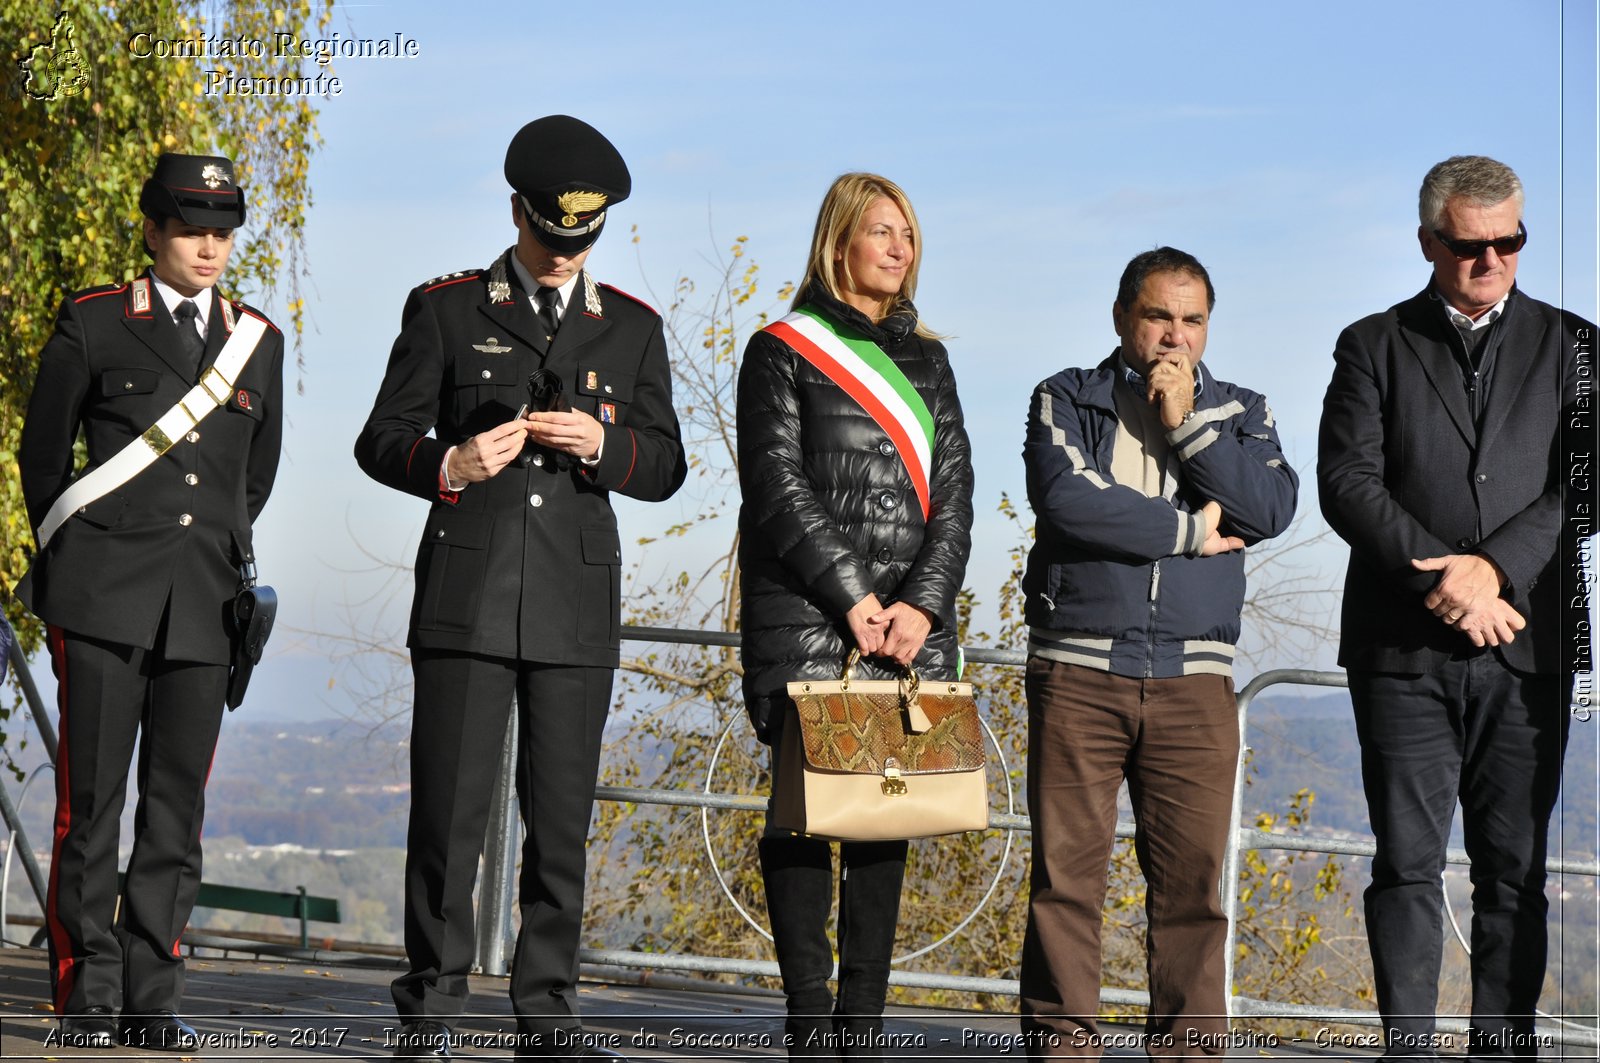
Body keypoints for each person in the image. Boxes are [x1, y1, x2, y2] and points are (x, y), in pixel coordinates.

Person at [354, 115, 685, 1063]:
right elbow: (382, 438)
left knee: (562, 826)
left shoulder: (631, 326)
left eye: (579, 240)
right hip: (468, 594)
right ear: (517, 214)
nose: (560, 257)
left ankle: (548, 1013)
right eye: (549, 237)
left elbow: (665, 462)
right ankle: (431, 1010)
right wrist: (449, 460)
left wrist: (605, 447)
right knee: (449, 819)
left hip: (575, 605)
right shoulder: (449, 309)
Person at [1318, 155, 1589, 1059]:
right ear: (1430, 241)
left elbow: (1583, 485)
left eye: (1509, 241)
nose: (1492, 260)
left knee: (1516, 874)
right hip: (1402, 652)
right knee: (1406, 866)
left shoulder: (1577, 345)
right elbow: (1346, 483)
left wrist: (1494, 571)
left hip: (1529, 645)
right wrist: (1446, 579)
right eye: (1471, 245)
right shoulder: (1370, 344)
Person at [17, 152, 284, 1050]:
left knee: (176, 808)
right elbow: (42, 460)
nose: (210, 247)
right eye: (191, 230)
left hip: (205, 604)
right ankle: (85, 995)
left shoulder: (259, 340)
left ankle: (149, 996)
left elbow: (256, 477)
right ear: (152, 230)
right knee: (90, 803)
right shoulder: (96, 323)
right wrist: (89, 558)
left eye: (222, 232)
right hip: (101, 599)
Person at [1018, 248, 1297, 1058]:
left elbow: (1270, 505)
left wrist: (1188, 424)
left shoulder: (1242, 411)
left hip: (1195, 681)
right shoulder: (1066, 395)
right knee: (1066, 884)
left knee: (1192, 892)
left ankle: (1188, 1051)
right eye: (1158, 316)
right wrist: (1191, 531)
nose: (1175, 335)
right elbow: (1069, 502)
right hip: (1078, 670)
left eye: (1193, 319)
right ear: (1121, 318)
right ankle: (1064, 1048)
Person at [737, 172, 973, 1058]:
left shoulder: (933, 360)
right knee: (802, 816)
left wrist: (922, 601)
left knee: (885, 818)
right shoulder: (781, 348)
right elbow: (777, 485)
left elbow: (955, 492)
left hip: (909, 624)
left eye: (908, 233)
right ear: (839, 241)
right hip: (812, 615)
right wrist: (855, 600)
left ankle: (862, 1026)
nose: (899, 247)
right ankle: (808, 1015)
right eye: (882, 231)